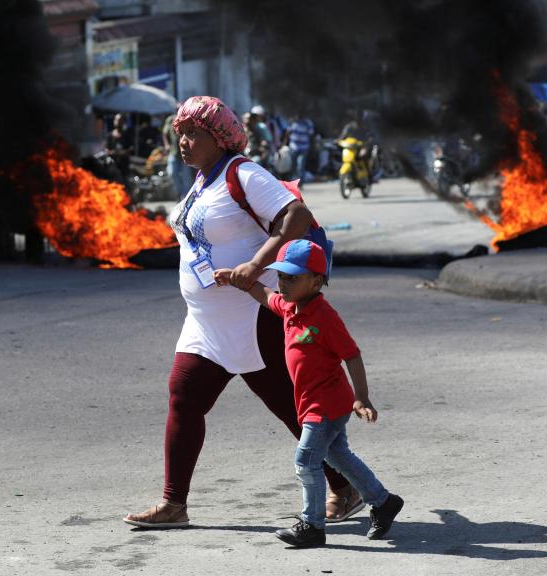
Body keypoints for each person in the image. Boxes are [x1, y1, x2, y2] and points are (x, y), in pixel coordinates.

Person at [123, 96, 362, 529]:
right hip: (206, 321)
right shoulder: (202, 181)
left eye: (193, 133)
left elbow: (297, 215)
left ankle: (347, 489)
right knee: (183, 397)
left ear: (218, 138)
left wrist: (256, 264)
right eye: (180, 133)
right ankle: (174, 505)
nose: (183, 141)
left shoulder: (243, 174)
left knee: (292, 407)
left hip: (252, 316)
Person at [214, 239, 403, 547]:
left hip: (327, 404)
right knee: (338, 455)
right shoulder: (290, 307)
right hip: (312, 402)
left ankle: (312, 525)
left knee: (305, 461)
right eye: (281, 276)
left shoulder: (325, 317)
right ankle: (383, 501)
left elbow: (351, 354)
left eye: (293, 277)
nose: (283, 283)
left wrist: (362, 397)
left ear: (316, 281)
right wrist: (236, 280)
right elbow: (264, 295)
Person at [163, 114, 193, 199]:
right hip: (173, 152)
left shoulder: (188, 118)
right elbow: (165, 133)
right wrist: (166, 144)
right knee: (172, 172)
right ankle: (180, 194)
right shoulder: (170, 119)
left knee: (186, 177)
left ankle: (185, 197)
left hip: (185, 153)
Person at [285, 114, 315, 182]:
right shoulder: (292, 121)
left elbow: (311, 134)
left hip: (304, 147)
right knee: (293, 165)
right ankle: (293, 182)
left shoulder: (308, 123)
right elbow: (287, 133)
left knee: (300, 165)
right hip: (293, 147)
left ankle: (299, 182)